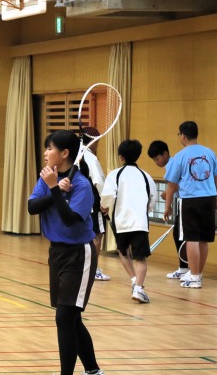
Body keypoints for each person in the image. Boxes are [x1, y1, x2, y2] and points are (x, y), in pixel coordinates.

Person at [28, 130, 106, 375]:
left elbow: (72, 219)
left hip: (79, 254)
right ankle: (93, 372)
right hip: (57, 252)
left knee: (64, 317)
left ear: (64, 154)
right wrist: (53, 189)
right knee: (71, 318)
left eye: (50, 148)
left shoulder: (82, 185)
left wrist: (53, 189)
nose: (46, 153)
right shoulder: (48, 177)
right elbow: (32, 207)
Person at [164, 121, 217, 289]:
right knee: (204, 239)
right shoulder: (210, 153)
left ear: (183, 135)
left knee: (192, 238)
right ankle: (197, 273)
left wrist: (167, 207)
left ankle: (194, 276)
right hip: (209, 199)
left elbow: (171, 185)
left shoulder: (180, 156)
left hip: (190, 200)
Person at [101, 139, 157, 304]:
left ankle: (134, 280)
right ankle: (138, 287)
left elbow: (108, 195)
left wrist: (105, 206)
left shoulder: (115, 174)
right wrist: (145, 211)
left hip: (121, 222)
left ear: (121, 157)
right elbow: (152, 198)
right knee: (141, 258)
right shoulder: (146, 176)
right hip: (140, 222)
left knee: (123, 251)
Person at [147, 140, 189, 280]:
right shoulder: (171, 165)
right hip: (182, 202)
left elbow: (174, 185)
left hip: (185, 202)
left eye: (157, 159)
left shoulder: (173, 164)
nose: (156, 163)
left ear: (166, 154)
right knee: (178, 234)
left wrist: (167, 199)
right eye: (154, 160)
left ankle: (185, 268)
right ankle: (184, 268)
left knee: (180, 235)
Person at [80, 127, 110, 281]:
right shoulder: (90, 158)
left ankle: (82, 268)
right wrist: (105, 203)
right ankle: (93, 269)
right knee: (96, 234)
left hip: (77, 203)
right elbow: (99, 182)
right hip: (92, 204)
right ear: (94, 141)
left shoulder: (74, 154)